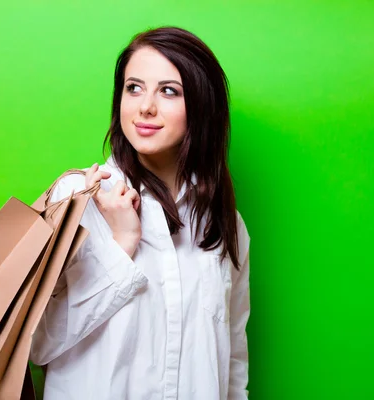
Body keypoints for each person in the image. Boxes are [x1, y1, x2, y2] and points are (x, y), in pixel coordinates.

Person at [30, 26, 251, 400]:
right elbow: (37, 345)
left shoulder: (224, 222)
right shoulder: (78, 199)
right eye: (134, 87)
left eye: (169, 91)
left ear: (201, 106)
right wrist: (122, 244)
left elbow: (233, 358)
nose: (145, 106)